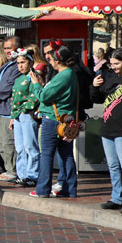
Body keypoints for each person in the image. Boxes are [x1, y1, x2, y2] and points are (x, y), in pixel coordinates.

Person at [91, 48, 122, 211]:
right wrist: (95, 87)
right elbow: (96, 99)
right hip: (107, 127)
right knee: (113, 165)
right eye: (111, 63)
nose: (113, 66)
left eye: (117, 63)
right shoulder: (111, 79)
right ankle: (117, 197)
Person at [32, 44, 79, 199]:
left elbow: (44, 97)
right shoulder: (70, 74)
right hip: (66, 120)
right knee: (66, 155)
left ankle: (42, 189)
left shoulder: (63, 76)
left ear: (58, 60)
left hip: (54, 120)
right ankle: (70, 189)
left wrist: (36, 85)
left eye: (51, 58)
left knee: (46, 155)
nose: (49, 61)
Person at [0, 36, 20, 182]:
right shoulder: (8, 64)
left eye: (10, 48)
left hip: (9, 110)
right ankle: (9, 169)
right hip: (2, 109)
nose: (7, 51)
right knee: (2, 141)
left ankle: (12, 170)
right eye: (5, 48)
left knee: (8, 141)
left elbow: (8, 87)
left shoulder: (17, 66)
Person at [9, 49, 41, 188]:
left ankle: (33, 175)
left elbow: (36, 96)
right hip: (17, 116)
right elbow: (14, 98)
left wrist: (24, 109)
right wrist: (12, 116)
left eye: (23, 62)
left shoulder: (34, 77)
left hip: (28, 114)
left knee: (30, 146)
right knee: (20, 147)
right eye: (18, 63)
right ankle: (22, 175)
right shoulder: (18, 78)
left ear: (31, 62)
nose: (20, 66)